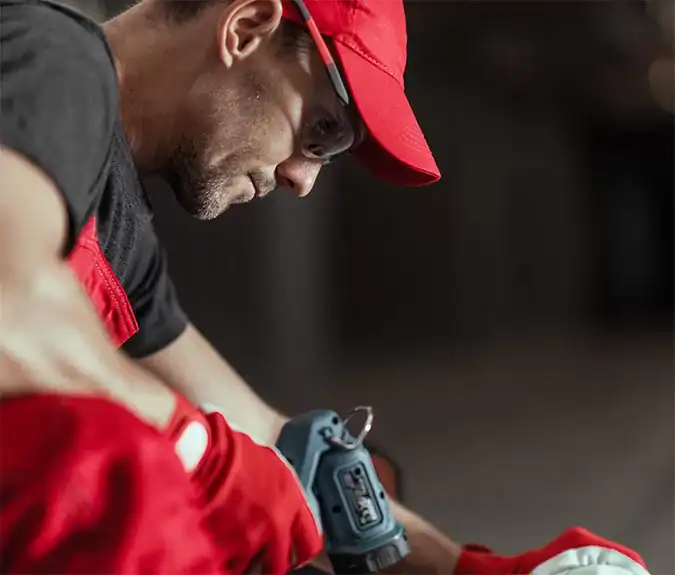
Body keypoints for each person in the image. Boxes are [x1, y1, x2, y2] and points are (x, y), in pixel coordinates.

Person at [0, 0, 652, 573]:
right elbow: (11, 303)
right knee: (121, 475)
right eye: (320, 131)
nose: (301, 179)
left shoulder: (123, 239)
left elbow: (268, 439)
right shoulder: (53, 58)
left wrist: (464, 567)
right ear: (247, 27)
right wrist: (199, 451)